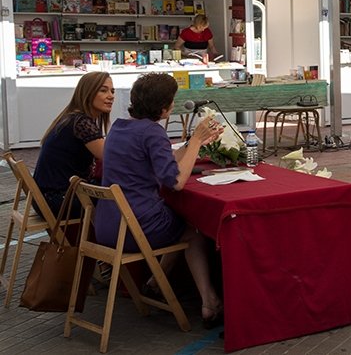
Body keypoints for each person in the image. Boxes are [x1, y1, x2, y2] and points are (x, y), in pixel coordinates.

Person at [97, 73, 225, 327]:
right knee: (193, 230)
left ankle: (156, 282)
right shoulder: (152, 132)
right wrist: (197, 142)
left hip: (108, 225)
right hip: (135, 227)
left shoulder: (119, 128)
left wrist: (190, 145)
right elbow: (175, 181)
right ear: (164, 106)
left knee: (179, 226)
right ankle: (209, 301)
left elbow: (160, 162)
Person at [32, 72, 114, 219]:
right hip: (58, 201)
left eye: (112, 91)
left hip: (45, 198)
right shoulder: (82, 122)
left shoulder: (71, 118)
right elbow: (111, 158)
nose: (111, 96)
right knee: (122, 197)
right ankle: (120, 240)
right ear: (88, 93)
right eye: (103, 90)